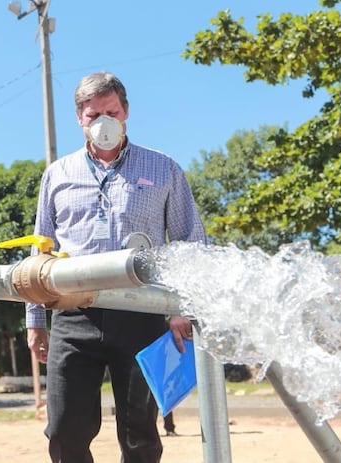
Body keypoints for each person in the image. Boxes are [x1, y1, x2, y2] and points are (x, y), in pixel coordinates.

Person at [26, 71, 208, 463]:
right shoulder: (57, 174)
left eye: (111, 111)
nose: (103, 122)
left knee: (140, 434)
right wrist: (35, 320)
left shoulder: (164, 169)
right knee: (63, 431)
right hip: (73, 314)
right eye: (93, 115)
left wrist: (183, 308)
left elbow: (191, 241)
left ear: (125, 112)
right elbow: (40, 250)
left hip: (141, 313)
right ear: (79, 118)